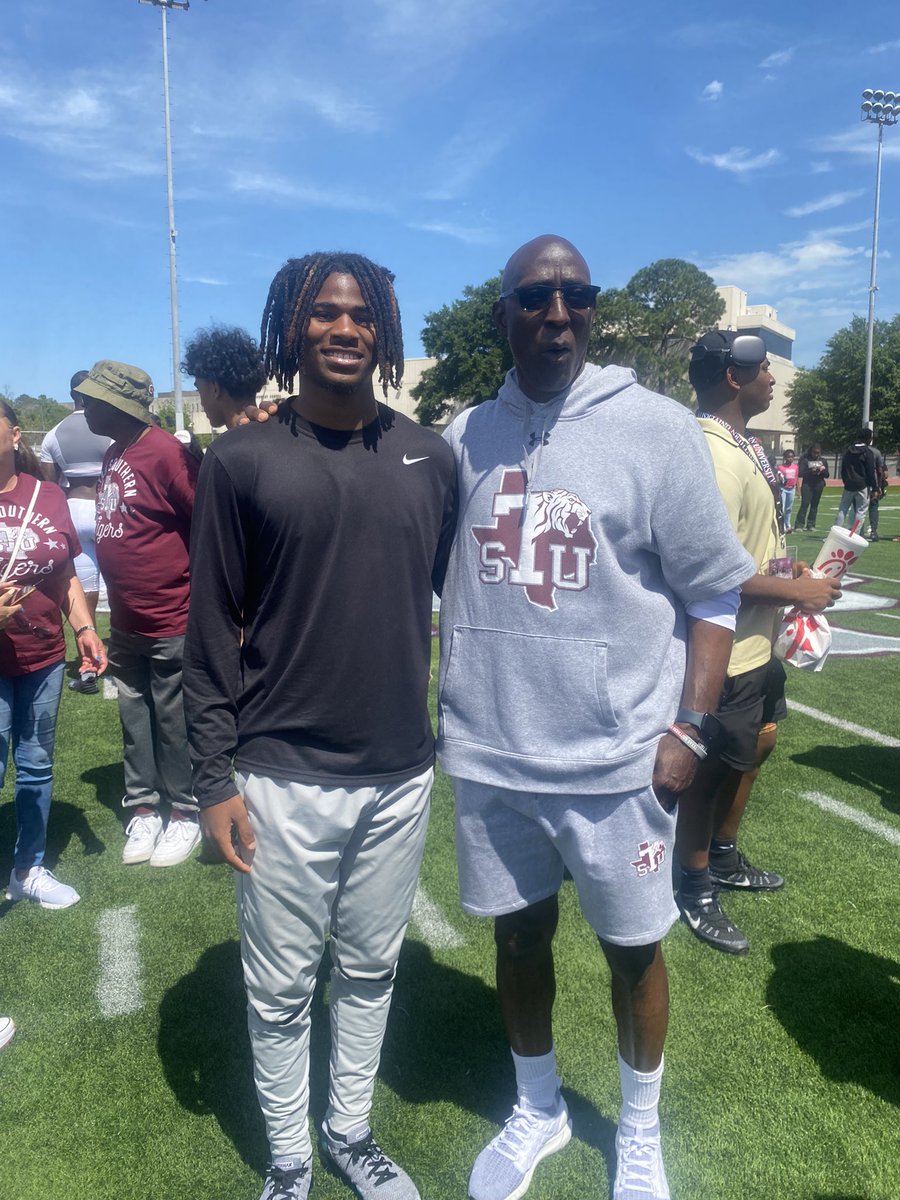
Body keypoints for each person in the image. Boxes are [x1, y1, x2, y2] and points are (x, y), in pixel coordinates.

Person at [436, 236, 756, 1200]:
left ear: (594, 310)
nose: (560, 312)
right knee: (518, 941)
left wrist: (690, 727)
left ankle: (643, 1133)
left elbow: (713, 596)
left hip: (620, 761)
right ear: (505, 315)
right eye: (537, 296)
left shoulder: (655, 429)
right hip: (496, 754)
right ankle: (540, 1106)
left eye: (577, 294)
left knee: (633, 952)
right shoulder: (463, 437)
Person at [184, 252, 457, 1200]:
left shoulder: (432, 455)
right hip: (281, 774)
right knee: (281, 985)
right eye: (323, 314)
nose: (344, 329)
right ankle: (290, 1158)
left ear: (382, 328)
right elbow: (211, 627)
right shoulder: (242, 458)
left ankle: (349, 1131)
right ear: (291, 329)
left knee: (374, 969)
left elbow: (450, 602)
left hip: (398, 772)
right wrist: (212, 777)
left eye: (361, 315)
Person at [674, 331, 841, 956]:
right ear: (732, 378)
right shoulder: (714, 455)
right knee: (709, 774)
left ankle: (720, 854)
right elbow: (710, 572)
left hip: (757, 644)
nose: (773, 378)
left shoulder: (739, 444)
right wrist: (795, 594)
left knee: (754, 751)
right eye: (763, 369)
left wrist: (789, 575)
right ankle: (693, 882)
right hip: (728, 650)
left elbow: (745, 549)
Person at [76, 361, 201, 868]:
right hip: (127, 621)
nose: (85, 407)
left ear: (120, 405)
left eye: (93, 400)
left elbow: (209, 525)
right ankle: (145, 807)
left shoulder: (167, 453)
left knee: (174, 722)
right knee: (135, 718)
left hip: (174, 617)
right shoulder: (114, 453)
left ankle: (185, 813)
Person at [0, 398, 107, 909]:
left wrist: (84, 627)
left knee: (36, 762)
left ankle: (29, 867)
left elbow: (64, 573)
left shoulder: (46, 495)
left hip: (41, 657)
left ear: (15, 434)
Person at [39, 370, 113, 684]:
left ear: (72, 395)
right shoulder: (108, 429)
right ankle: (122, 652)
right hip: (105, 510)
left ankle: (88, 660)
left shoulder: (53, 434)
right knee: (118, 581)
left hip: (71, 510)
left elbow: (48, 485)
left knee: (83, 589)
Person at [182, 324, 267, 432]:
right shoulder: (282, 431)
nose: (202, 403)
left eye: (199, 390)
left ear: (215, 389)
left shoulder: (221, 448)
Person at [835, 430, 876, 530]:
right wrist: (874, 487)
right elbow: (870, 471)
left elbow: (843, 468)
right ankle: (854, 534)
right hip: (862, 484)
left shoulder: (848, 451)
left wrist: (846, 481)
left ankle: (835, 531)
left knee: (843, 509)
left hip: (849, 484)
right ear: (868, 439)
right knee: (861, 511)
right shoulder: (867, 452)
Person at [795, 444, 829, 532]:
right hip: (807, 484)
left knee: (814, 505)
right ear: (811, 451)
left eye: (818, 453)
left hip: (819, 484)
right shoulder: (805, 460)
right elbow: (800, 473)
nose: (816, 454)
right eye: (814, 452)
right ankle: (799, 525)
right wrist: (811, 471)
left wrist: (822, 470)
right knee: (805, 504)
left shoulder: (823, 461)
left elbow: (827, 475)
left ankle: (811, 524)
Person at [866, 437, 888, 541]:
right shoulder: (876, 452)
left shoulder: (852, 451)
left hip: (858, 484)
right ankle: (873, 532)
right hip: (872, 483)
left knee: (857, 508)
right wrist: (879, 486)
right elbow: (882, 471)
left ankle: (857, 532)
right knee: (873, 507)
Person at [776, 448, 798, 532]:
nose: (790, 459)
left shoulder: (795, 467)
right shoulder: (781, 467)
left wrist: (798, 490)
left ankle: (788, 524)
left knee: (789, 508)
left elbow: (796, 478)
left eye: (792, 457)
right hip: (783, 489)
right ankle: (782, 525)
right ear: (785, 457)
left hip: (792, 489)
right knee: (782, 507)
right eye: (788, 457)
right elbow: (778, 478)